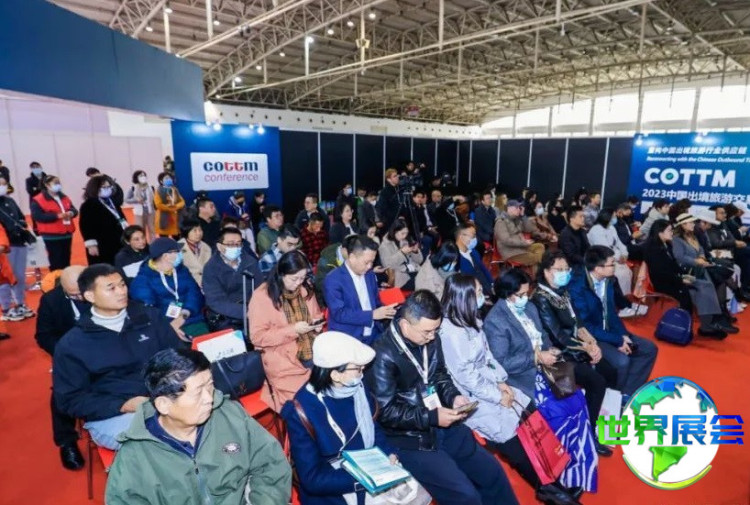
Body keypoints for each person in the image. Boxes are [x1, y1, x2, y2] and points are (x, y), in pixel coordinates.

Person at [366, 290, 519, 505]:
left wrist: (454, 397)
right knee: (465, 496)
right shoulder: (381, 355)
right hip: (411, 439)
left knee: (493, 473)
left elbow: (439, 375)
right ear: (405, 325)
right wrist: (431, 417)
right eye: (427, 332)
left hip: (443, 422)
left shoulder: (430, 337)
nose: (432, 336)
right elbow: (386, 412)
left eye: (435, 330)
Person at [440, 274, 580, 505]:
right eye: (477, 292)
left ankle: (552, 483)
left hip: (491, 384)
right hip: (473, 397)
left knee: (531, 417)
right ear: (464, 297)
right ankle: (550, 491)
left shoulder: (471, 318)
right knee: (513, 440)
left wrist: (502, 382)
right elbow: (467, 378)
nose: (483, 295)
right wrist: (498, 395)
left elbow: (488, 357)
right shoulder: (451, 332)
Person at [106, 348, 291, 505]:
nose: (209, 398)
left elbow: (271, 464)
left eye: (209, 386)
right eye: (197, 393)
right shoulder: (134, 458)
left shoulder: (229, 414)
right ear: (164, 405)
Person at [484, 269, 600, 494]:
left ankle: (577, 469)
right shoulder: (495, 321)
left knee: (577, 401)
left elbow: (543, 337)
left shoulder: (529, 307)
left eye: (527, 293)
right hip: (521, 378)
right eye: (520, 295)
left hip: (547, 370)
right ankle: (558, 473)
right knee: (557, 413)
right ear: (507, 294)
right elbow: (501, 363)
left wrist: (551, 350)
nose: (525, 298)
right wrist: (536, 357)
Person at [53, 264, 185, 449]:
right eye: (111, 288)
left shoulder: (149, 318)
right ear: (90, 296)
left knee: (210, 414)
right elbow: (70, 400)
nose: (121, 291)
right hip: (114, 415)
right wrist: (123, 405)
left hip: (164, 398)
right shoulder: (73, 344)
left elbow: (179, 356)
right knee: (161, 440)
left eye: (122, 285)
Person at [282, 331, 408, 505]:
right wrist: (364, 479)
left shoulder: (357, 389)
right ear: (335, 375)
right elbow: (312, 478)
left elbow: (373, 426)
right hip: (333, 487)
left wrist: (388, 453)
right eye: (357, 369)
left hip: (369, 469)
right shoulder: (301, 410)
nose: (362, 374)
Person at [532, 251, 618, 455]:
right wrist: (586, 348)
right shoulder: (541, 298)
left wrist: (592, 343)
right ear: (546, 272)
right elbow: (557, 335)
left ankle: (601, 419)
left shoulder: (563, 291)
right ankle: (588, 432)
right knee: (596, 382)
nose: (564, 273)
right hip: (558, 354)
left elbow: (578, 322)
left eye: (566, 269)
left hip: (577, 346)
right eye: (559, 269)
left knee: (611, 372)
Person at [567, 246, 658, 397]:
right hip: (591, 336)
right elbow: (586, 326)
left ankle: (627, 393)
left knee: (649, 349)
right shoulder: (577, 288)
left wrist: (623, 335)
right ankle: (613, 398)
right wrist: (617, 341)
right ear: (598, 269)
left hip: (609, 330)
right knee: (622, 362)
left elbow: (611, 313)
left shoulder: (608, 280)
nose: (615, 266)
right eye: (611, 264)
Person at [249, 251, 324, 411]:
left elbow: (316, 314)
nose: (299, 282)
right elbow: (257, 337)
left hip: (311, 350)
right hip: (282, 358)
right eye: (294, 279)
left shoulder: (305, 288)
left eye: (302, 278)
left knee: (326, 393)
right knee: (304, 406)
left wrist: (317, 324)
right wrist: (293, 330)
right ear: (281, 274)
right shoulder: (263, 296)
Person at [35, 265, 87, 470]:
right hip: (69, 356)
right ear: (64, 288)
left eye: (82, 292)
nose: (81, 297)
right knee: (61, 391)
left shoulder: (100, 290)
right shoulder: (51, 301)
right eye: (74, 294)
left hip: (103, 348)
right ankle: (67, 441)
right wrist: (66, 353)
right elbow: (43, 336)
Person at [644, 219, 728, 339]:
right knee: (700, 291)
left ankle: (712, 320)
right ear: (660, 233)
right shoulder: (653, 249)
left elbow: (673, 265)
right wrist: (681, 280)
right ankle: (707, 325)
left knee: (707, 285)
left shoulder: (667, 245)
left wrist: (684, 275)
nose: (672, 232)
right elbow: (660, 273)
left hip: (674, 278)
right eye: (669, 230)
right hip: (666, 284)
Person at [324, 235, 397, 344]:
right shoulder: (333, 279)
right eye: (366, 262)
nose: (370, 266)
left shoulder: (369, 274)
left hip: (373, 332)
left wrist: (387, 311)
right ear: (352, 257)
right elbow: (339, 313)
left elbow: (375, 302)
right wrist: (372, 315)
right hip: (348, 336)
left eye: (372, 262)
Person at [671, 214, 736, 333]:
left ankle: (715, 319)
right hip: (687, 272)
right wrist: (696, 261)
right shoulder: (677, 240)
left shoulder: (692, 236)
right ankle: (710, 322)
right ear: (683, 225)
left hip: (699, 269)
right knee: (709, 286)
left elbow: (700, 249)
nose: (693, 224)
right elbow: (679, 257)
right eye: (690, 222)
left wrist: (701, 257)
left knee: (717, 281)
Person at [129, 237, 205, 334]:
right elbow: (149, 311)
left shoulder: (181, 270)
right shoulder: (142, 281)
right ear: (165, 256)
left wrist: (185, 313)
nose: (180, 254)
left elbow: (195, 293)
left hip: (192, 317)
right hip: (165, 326)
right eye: (177, 252)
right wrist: (169, 326)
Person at [203, 227, 262, 332]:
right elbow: (216, 301)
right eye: (230, 244)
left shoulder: (250, 262)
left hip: (253, 310)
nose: (235, 247)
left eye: (238, 244)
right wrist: (245, 312)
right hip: (226, 316)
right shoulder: (211, 268)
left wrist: (257, 309)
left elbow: (260, 289)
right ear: (219, 246)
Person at [0, 174, 35, 319]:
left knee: (20, 275)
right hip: (5, 246)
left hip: (19, 241)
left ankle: (20, 303)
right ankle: (6, 308)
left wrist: (21, 225)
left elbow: (21, 217)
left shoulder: (10, 200)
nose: (3, 186)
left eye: (4, 184)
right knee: (6, 277)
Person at [30, 175, 78, 270]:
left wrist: (71, 213)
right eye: (55, 183)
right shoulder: (38, 199)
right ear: (47, 185)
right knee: (56, 260)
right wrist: (57, 216)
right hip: (51, 235)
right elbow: (38, 216)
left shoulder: (64, 197)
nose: (58, 185)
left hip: (67, 233)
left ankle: (65, 277)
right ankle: (56, 278)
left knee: (66, 259)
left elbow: (74, 209)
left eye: (59, 183)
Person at [79, 175, 128, 266]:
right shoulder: (89, 205)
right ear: (95, 188)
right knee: (105, 268)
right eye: (104, 187)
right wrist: (91, 244)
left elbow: (121, 216)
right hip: (101, 243)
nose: (107, 189)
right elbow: (86, 226)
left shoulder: (112, 201)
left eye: (109, 187)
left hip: (118, 240)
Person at [587, 208, 633, 299]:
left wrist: (625, 253)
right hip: (602, 259)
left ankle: (625, 297)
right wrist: (618, 257)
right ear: (607, 217)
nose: (615, 219)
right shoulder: (596, 230)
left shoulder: (611, 227)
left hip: (616, 257)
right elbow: (605, 249)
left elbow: (619, 243)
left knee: (628, 273)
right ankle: (619, 299)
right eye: (613, 217)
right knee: (621, 275)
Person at [494, 199, 544, 269]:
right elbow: (506, 240)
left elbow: (529, 229)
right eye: (517, 207)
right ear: (509, 208)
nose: (519, 210)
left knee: (540, 246)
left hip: (521, 248)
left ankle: (536, 268)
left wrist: (523, 216)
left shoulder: (516, 219)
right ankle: (540, 268)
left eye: (519, 208)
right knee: (535, 258)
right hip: (511, 252)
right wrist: (524, 243)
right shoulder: (501, 222)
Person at [378, 219, 423, 290]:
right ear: (394, 231)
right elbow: (387, 265)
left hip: (413, 269)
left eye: (406, 233)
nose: (405, 236)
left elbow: (419, 261)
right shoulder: (384, 245)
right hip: (401, 277)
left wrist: (415, 252)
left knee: (430, 278)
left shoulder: (407, 239)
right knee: (423, 284)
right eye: (402, 233)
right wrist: (402, 253)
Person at [455, 223, 493, 296]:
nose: (475, 239)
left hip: (487, 289)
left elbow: (483, 269)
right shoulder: (456, 259)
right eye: (473, 236)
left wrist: (492, 283)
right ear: (461, 237)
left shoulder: (474, 252)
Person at [176, 218, 211, 288]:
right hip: (186, 284)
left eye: (200, 230)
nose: (198, 233)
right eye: (195, 231)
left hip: (206, 284)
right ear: (186, 232)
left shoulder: (206, 247)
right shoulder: (178, 247)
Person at [125, 170, 156, 242]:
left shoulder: (151, 187)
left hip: (150, 211)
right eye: (141, 176)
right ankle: (143, 244)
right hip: (139, 213)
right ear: (136, 178)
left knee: (152, 229)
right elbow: (126, 200)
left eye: (144, 175)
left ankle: (153, 244)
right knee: (140, 229)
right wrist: (136, 200)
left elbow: (154, 198)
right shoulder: (133, 188)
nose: (143, 177)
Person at [153, 172, 185, 238]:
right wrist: (170, 208)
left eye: (170, 178)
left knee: (177, 237)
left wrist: (176, 206)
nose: (169, 179)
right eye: (166, 178)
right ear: (161, 181)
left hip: (175, 218)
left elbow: (182, 202)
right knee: (164, 237)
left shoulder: (175, 190)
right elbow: (158, 205)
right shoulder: (158, 191)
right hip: (164, 217)